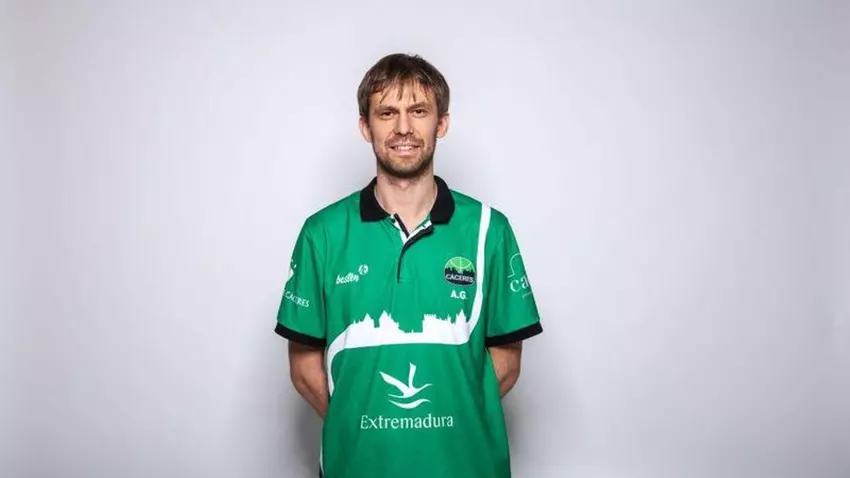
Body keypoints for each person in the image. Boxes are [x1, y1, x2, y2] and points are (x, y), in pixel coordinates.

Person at [275, 52, 543, 478]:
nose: (403, 128)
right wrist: (365, 425)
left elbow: (506, 362)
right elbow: (305, 368)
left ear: (442, 123)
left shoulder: (489, 229)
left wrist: (442, 424)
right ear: (366, 127)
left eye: (418, 111)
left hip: (467, 467)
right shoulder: (322, 233)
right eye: (387, 113)